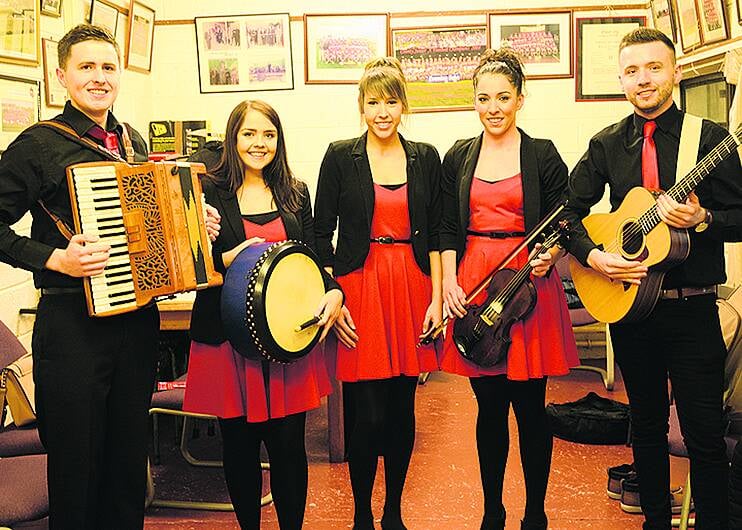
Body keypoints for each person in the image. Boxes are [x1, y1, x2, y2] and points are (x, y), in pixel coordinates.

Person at [0, 24, 218, 529]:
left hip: (136, 323)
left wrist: (193, 228)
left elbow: (150, 231)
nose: (99, 78)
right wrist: (54, 259)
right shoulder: (38, 145)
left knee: (126, 466)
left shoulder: (131, 140)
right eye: (86, 67)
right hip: (72, 326)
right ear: (61, 76)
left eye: (107, 67)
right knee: (77, 469)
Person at [564, 27, 742, 529]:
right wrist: (594, 256)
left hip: (692, 308)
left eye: (654, 67)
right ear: (621, 78)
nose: (643, 79)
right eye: (632, 70)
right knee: (643, 426)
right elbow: (568, 213)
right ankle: (655, 523)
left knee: (704, 433)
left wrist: (705, 220)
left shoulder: (708, 141)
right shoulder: (607, 143)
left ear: (675, 72)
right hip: (630, 309)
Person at [182, 99, 343, 530]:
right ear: (232, 139)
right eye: (249, 134)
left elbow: (314, 257)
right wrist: (227, 258)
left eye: (268, 134)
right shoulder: (208, 193)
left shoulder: (295, 191)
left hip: (287, 337)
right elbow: (192, 267)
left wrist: (334, 293)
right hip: (229, 340)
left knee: (290, 445)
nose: (259, 143)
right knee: (239, 445)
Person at [438, 49, 578, 530]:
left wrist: (554, 253)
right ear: (474, 102)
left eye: (503, 97)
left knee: (531, 407)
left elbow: (566, 216)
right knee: (489, 406)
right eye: (483, 98)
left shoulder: (541, 152)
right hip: (477, 282)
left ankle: (534, 512)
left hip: (527, 283)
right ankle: (492, 510)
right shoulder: (458, 154)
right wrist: (450, 281)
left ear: (520, 98)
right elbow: (444, 227)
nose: (493, 107)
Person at [313, 57, 442, 530]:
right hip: (359, 287)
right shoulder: (339, 155)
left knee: (401, 409)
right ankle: (361, 513)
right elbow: (318, 231)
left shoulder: (425, 156)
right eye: (373, 102)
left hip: (412, 283)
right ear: (361, 106)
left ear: (403, 104)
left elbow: (443, 230)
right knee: (364, 413)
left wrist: (438, 295)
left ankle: (393, 512)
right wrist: (332, 293)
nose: (382, 111)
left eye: (391, 101)